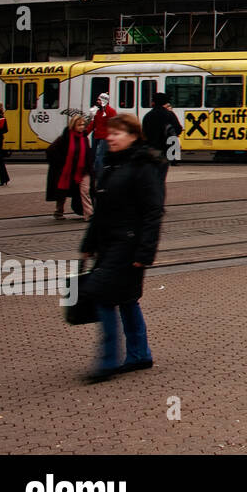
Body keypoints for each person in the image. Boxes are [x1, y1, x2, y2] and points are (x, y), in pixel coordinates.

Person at [79, 113, 163, 383]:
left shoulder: (143, 165)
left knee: (101, 295)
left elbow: (153, 211)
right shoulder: (111, 164)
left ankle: (107, 361)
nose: (110, 137)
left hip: (128, 244)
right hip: (110, 242)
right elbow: (101, 210)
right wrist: (88, 244)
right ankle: (139, 355)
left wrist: (145, 252)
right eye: (109, 133)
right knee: (126, 299)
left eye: (117, 133)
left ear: (133, 136)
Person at [46, 114, 93, 219]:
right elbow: (51, 151)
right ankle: (59, 211)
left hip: (82, 170)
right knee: (62, 190)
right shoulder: (65, 138)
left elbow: (88, 155)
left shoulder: (84, 139)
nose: (82, 127)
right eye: (79, 125)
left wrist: (90, 169)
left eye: (83, 125)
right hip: (67, 170)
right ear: (73, 126)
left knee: (85, 191)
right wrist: (60, 163)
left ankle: (89, 214)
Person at [140, 93, 183, 185]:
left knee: (152, 175)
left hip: (151, 149)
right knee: (161, 176)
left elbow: (144, 133)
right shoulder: (169, 115)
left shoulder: (148, 116)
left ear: (153, 102)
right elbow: (178, 129)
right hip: (165, 149)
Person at [84, 92, 117, 184]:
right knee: (96, 156)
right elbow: (93, 124)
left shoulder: (110, 112)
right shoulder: (97, 111)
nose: (97, 101)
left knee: (99, 156)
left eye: (99, 100)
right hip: (97, 136)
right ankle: (96, 173)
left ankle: (98, 175)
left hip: (104, 137)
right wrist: (86, 132)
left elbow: (113, 125)